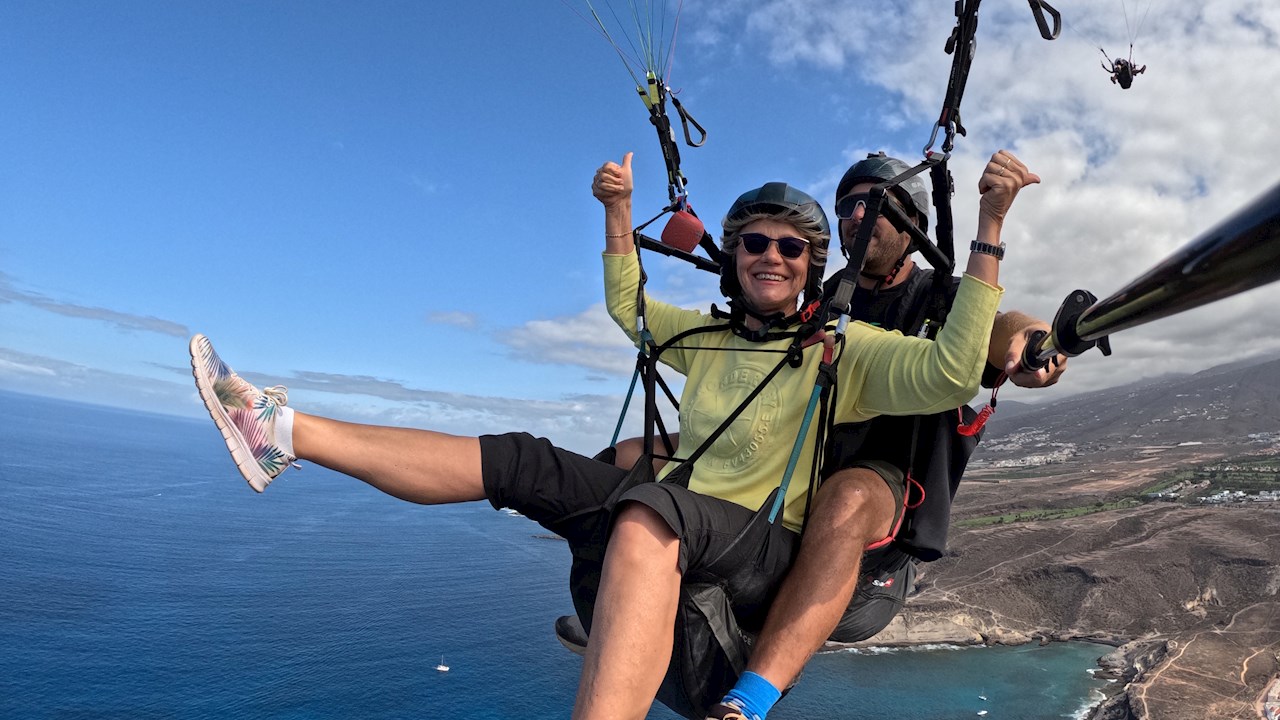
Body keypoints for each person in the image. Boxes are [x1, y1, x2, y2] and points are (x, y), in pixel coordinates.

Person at [190, 149, 1034, 720]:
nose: (767, 256)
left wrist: (991, 225)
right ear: (735, 255)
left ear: (813, 265)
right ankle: (283, 431)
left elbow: (959, 367)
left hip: (763, 543)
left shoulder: (846, 351)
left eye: (787, 246)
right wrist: (619, 211)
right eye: (751, 244)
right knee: (526, 461)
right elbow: (628, 306)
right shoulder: (704, 337)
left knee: (651, 512)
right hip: (698, 516)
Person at [562, 153, 1061, 720]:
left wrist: (1033, 337)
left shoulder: (940, 298)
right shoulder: (818, 302)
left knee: (844, 495)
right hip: (785, 470)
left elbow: (1000, 330)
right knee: (629, 455)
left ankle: (748, 698)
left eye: (881, 203)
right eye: (849, 205)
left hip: (878, 489)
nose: (861, 215)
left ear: (915, 223)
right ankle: (618, 604)